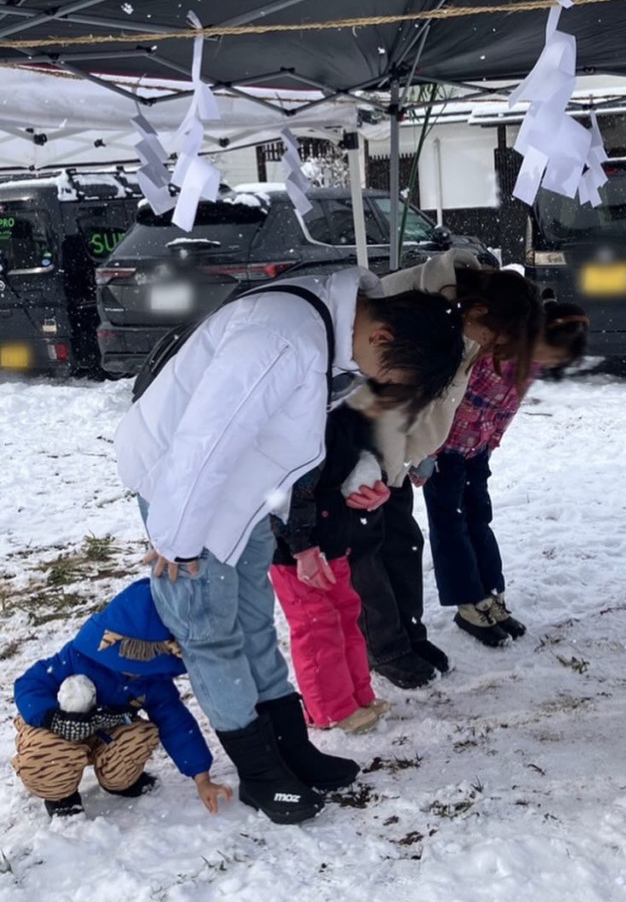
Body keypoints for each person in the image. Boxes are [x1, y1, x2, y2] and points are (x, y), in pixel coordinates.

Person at [115, 267, 464, 824]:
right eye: (391, 375)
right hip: (181, 491)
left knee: (253, 621)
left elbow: (295, 432)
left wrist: (353, 476)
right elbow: (205, 443)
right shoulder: (280, 340)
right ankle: (259, 771)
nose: (385, 385)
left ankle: (287, 743)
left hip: (245, 493)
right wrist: (177, 543)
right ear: (382, 337)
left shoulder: (330, 334)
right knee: (212, 633)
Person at [343, 250, 543, 688]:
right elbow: (382, 391)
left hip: (401, 447)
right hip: (363, 444)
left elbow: (442, 397)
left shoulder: (466, 319)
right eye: (492, 339)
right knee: (370, 550)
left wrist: (420, 451)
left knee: (404, 541)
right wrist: (381, 459)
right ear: (478, 311)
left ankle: (410, 635)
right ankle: (386, 647)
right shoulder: (415, 302)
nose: (490, 351)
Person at [422, 300, 589, 646]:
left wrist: (491, 441)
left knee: (479, 518)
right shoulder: (486, 350)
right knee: (451, 526)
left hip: (476, 450)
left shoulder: (530, 364)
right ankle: (469, 604)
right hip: (444, 451)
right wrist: (426, 450)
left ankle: (491, 594)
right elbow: (443, 400)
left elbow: (507, 408)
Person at [12, 579, 230, 819]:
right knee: (45, 754)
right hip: (55, 728)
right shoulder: (76, 658)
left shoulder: (153, 681)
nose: (134, 673)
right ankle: (59, 794)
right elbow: (29, 684)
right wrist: (51, 716)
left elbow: (176, 723)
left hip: (107, 731)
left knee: (139, 735)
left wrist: (201, 777)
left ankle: (119, 781)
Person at [270, 408, 391, 734]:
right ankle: (330, 709)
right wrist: (300, 544)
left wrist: (373, 480)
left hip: (333, 533)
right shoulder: (302, 414)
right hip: (294, 549)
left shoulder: (349, 401)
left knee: (345, 614)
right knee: (317, 623)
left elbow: (361, 451)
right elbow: (287, 488)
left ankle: (358, 695)